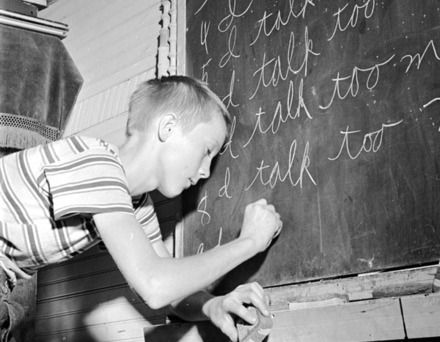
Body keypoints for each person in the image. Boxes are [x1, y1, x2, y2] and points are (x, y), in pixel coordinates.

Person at [0, 76, 282, 342]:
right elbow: (156, 284)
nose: (206, 171)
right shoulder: (97, 165)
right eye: (207, 150)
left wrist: (213, 304)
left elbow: (170, 293)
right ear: (168, 128)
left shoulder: (136, 206)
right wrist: (250, 242)